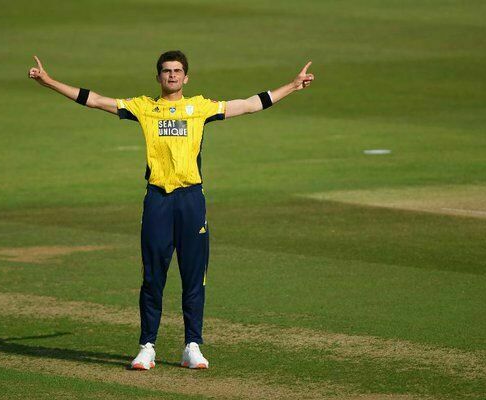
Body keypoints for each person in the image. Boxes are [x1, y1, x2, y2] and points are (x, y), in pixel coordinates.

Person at [28, 50, 314, 370]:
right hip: (158, 201)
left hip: (191, 200)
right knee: (153, 277)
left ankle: (192, 346)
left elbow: (249, 104)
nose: (172, 75)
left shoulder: (200, 107)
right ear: (158, 76)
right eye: (167, 71)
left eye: (177, 71)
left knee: (193, 277)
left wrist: (292, 86)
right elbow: (94, 100)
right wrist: (50, 82)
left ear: (186, 77)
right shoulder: (144, 107)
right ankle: (147, 346)